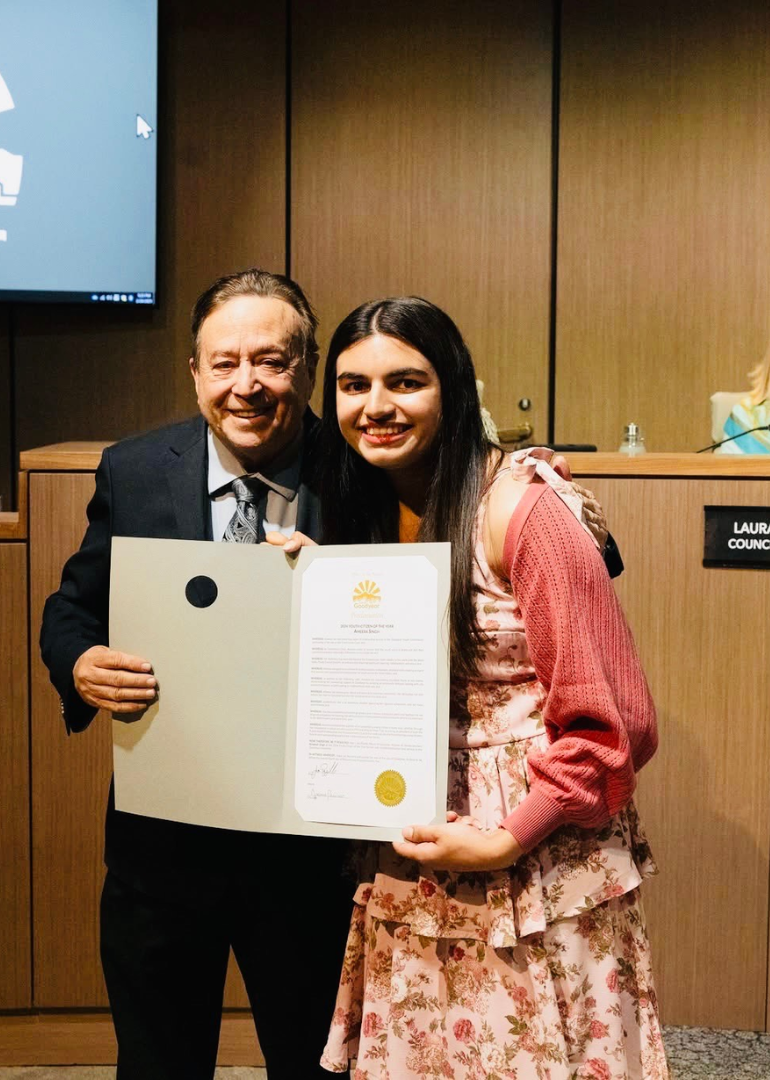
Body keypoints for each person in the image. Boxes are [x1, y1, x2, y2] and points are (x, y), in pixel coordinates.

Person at [41, 270, 621, 1079]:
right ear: (195, 372)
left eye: (273, 362)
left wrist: (533, 479)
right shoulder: (135, 469)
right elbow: (71, 608)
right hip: (162, 841)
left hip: (313, 848)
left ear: (307, 369)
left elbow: (492, 518)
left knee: (317, 1062)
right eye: (224, 363)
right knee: (156, 1061)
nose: (247, 385)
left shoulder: (362, 463)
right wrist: (80, 663)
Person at [281, 297, 668, 1078]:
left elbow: (612, 721)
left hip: (532, 855)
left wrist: (504, 838)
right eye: (353, 386)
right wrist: (313, 582)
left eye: (405, 382)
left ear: (453, 389)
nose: (377, 407)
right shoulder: (363, 503)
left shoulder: (522, 507)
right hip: (415, 841)